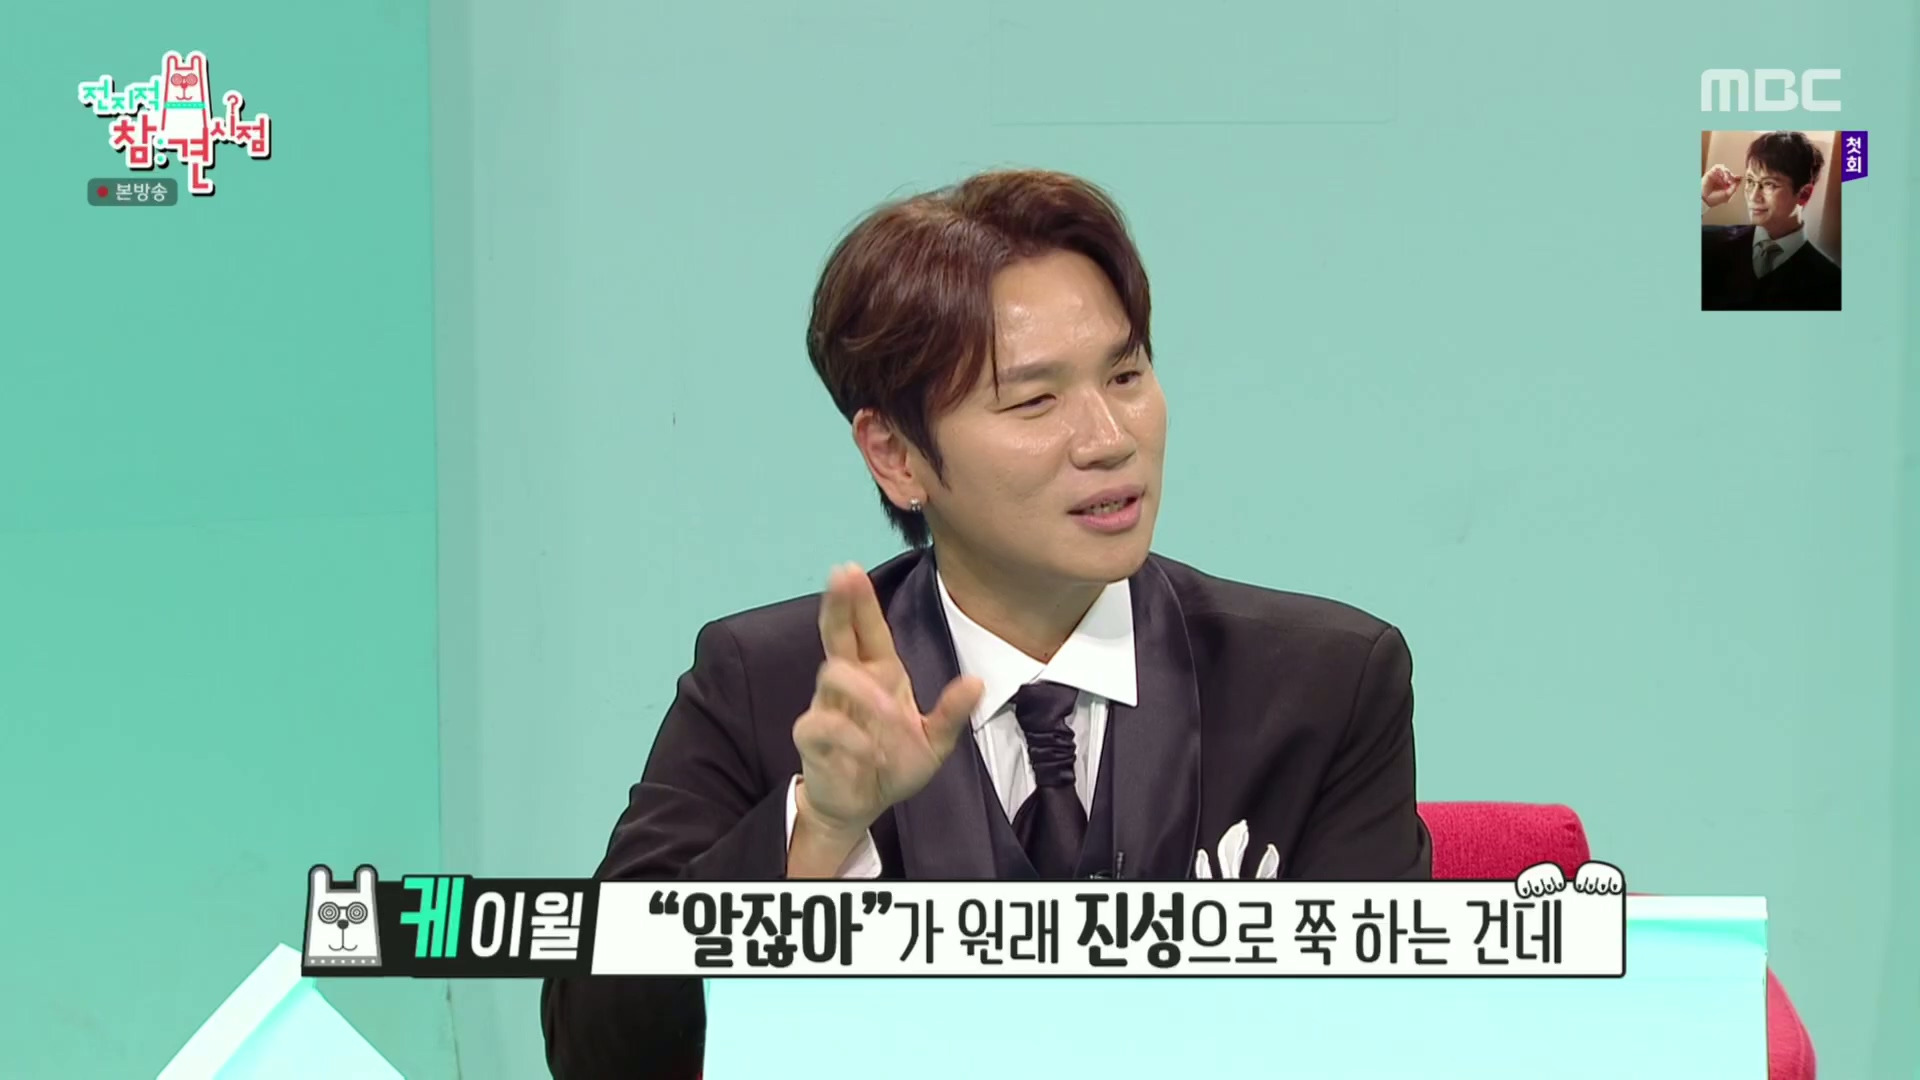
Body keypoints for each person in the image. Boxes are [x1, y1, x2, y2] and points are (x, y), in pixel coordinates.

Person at [540, 168, 1431, 1077]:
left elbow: (1383, 1044)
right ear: (895, 454)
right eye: (1035, 400)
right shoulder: (770, 687)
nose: (1109, 438)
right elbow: (596, 1052)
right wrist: (819, 831)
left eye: (1126, 374)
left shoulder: (1323, 685)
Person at [1701, 131, 1841, 311]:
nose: (1753, 196)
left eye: (1769, 184)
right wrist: (1702, 200)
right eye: (1750, 181)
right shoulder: (1708, 243)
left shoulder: (1831, 283)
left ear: (1804, 194)